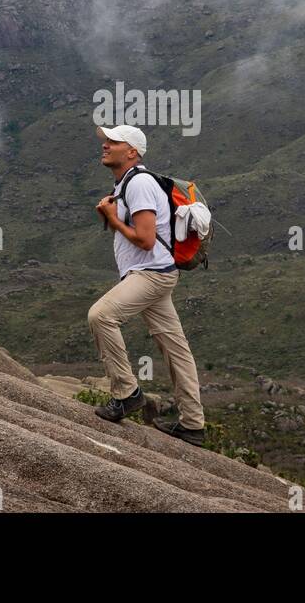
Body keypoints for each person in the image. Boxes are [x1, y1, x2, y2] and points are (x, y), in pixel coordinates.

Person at [88, 124, 206, 445]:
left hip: (151, 273)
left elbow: (145, 238)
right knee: (175, 348)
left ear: (132, 152)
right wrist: (109, 214)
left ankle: (127, 393)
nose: (105, 145)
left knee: (101, 316)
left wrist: (112, 220)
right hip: (156, 272)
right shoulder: (128, 184)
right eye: (106, 141)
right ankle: (193, 424)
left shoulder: (138, 183)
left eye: (113, 142)